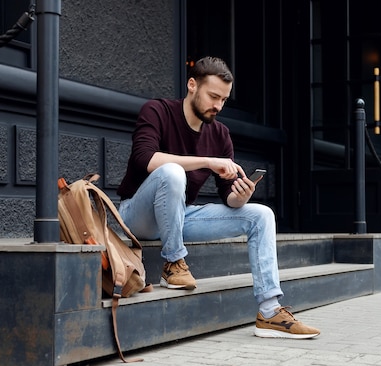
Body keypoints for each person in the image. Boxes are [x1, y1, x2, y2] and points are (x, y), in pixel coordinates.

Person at [117, 56, 319, 339]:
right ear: (192, 85)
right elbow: (145, 159)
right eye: (213, 96)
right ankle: (174, 264)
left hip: (181, 216)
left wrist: (241, 196)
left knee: (262, 215)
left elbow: (228, 197)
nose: (218, 106)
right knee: (172, 172)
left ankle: (270, 311)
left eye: (224, 100)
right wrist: (208, 161)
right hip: (136, 216)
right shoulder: (157, 110)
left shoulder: (220, 133)